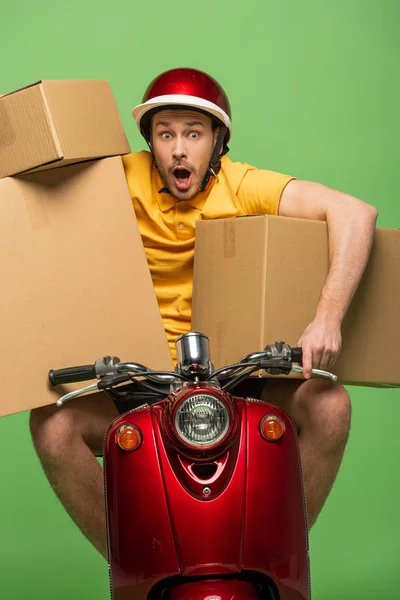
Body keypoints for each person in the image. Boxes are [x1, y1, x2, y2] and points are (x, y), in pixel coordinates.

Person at [29, 68, 378, 560]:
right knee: (52, 425)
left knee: (330, 404)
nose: (178, 150)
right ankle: (140, 564)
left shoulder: (243, 184)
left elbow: (355, 214)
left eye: (193, 134)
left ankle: (278, 553)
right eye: (165, 134)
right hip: (138, 377)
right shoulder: (117, 178)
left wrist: (328, 316)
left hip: (233, 374)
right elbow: (32, 200)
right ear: (149, 141)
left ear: (217, 141)